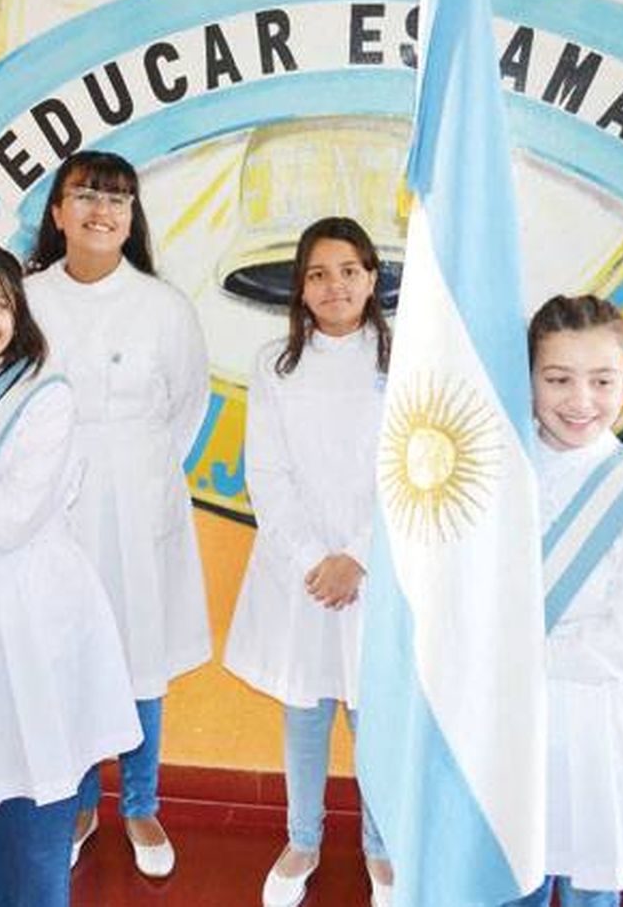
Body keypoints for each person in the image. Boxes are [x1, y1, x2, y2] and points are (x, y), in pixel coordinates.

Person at [0, 240, 141, 907]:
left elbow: (5, 520)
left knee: (37, 800)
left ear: (19, 312)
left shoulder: (46, 395)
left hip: (33, 622)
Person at [24, 151, 211, 878]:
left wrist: (138, 469)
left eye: (120, 200)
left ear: (133, 217)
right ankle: (77, 804)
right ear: (59, 211)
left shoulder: (164, 306)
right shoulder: (27, 296)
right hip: (50, 503)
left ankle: (140, 802)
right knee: (67, 653)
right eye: (88, 196)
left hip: (139, 498)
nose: (104, 211)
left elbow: (187, 406)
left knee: (140, 656)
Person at [223, 217, 396, 907]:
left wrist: (357, 556)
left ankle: (381, 848)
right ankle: (303, 837)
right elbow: (266, 472)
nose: (335, 286)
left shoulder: (405, 359)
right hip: (299, 571)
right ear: (299, 286)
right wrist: (312, 560)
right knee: (306, 707)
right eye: (319, 273)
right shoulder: (275, 363)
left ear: (373, 278)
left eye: (349, 270)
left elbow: (415, 469)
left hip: (376, 567)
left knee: (373, 711)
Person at [502, 295, 623, 907]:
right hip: (508, 724)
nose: (580, 400)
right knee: (510, 883)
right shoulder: (498, 471)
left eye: (602, 380)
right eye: (558, 379)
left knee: (589, 890)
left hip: (596, 731)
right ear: (528, 378)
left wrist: (511, 652)